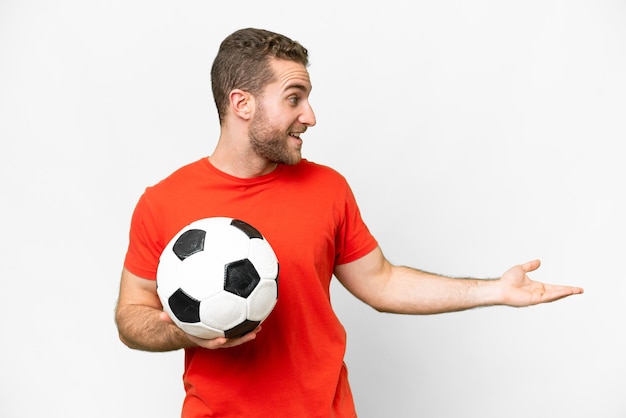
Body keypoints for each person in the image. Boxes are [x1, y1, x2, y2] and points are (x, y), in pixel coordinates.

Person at [115, 27, 583, 417]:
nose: (310, 117)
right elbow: (131, 314)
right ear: (242, 104)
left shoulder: (327, 188)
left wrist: (495, 290)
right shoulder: (164, 202)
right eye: (293, 99)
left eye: (308, 98)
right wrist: (184, 330)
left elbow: (382, 283)